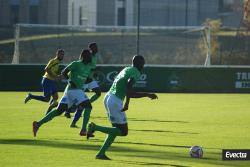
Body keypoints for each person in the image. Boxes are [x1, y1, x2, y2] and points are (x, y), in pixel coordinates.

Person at [86, 55, 158, 160]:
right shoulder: (136, 72)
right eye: (143, 63)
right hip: (115, 101)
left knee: (115, 129)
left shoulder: (127, 68)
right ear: (139, 64)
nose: (143, 65)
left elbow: (127, 88)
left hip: (108, 97)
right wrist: (147, 94)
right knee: (123, 132)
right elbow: (129, 87)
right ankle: (94, 127)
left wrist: (127, 102)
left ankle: (101, 153)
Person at [32, 49, 94, 137]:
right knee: (88, 106)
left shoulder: (88, 67)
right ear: (84, 56)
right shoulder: (76, 64)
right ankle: (83, 130)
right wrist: (70, 80)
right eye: (89, 56)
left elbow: (85, 78)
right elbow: (64, 72)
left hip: (70, 92)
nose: (90, 57)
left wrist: (91, 82)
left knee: (58, 111)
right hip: (74, 90)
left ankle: (38, 124)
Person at [65, 43, 102, 128]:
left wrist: (94, 73)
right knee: (81, 106)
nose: (96, 48)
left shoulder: (94, 57)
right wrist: (95, 69)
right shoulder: (87, 56)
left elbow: (90, 68)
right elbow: (83, 67)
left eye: (96, 47)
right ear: (90, 49)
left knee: (98, 93)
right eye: (94, 47)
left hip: (90, 79)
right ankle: (72, 119)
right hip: (84, 80)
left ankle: (80, 105)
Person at [24, 49, 64, 115]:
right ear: (57, 54)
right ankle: (31, 96)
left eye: (63, 54)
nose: (62, 56)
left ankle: (48, 112)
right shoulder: (53, 61)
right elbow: (46, 69)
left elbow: (53, 72)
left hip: (52, 81)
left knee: (56, 97)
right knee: (46, 99)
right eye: (61, 54)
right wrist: (55, 76)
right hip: (47, 80)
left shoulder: (58, 62)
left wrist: (57, 76)